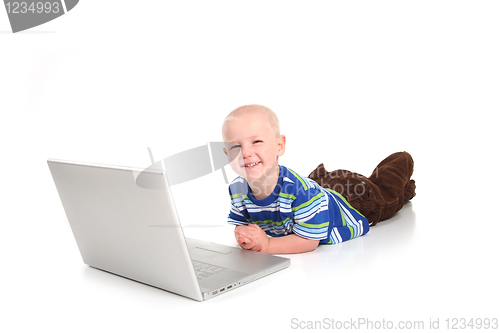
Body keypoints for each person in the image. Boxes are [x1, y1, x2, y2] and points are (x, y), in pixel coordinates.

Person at [222, 104, 370, 254]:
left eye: (256, 142)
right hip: (311, 202)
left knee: (373, 196)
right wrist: (245, 237)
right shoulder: (237, 190)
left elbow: (309, 241)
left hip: (343, 208)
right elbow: (240, 224)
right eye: (235, 147)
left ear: (279, 146)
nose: (245, 152)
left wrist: (267, 244)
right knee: (321, 183)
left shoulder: (302, 194)